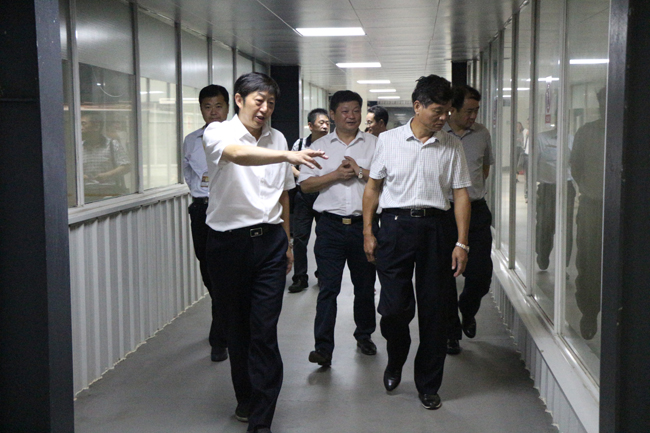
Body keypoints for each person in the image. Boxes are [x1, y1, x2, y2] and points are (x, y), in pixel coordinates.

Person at [202, 72, 326, 433]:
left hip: (270, 243)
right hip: (227, 244)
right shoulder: (218, 132)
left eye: (271, 102)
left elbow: (283, 193)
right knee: (236, 328)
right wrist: (286, 155)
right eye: (259, 101)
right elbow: (239, 155)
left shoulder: (278, 138)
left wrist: (287, 241)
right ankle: (246, 397)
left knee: (264, 330)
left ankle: (261, 419)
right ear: (239, 100)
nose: (265, 108)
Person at [363, 75, 471, 411]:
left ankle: (428, 383)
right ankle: (396, 357)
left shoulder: (451, 145)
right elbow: (372, 188)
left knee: (435, 310)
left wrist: (462, 243)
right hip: (395, 228)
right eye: (438, 111)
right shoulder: (389, 140)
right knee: (394, 309)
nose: (444, 118)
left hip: (437, 229)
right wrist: (367, 231)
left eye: (448, 111)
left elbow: (461, 194)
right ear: (417, 106)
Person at [300, 90, 379, 367]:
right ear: (332, 115)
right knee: (328, 288)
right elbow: (305, 185)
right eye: (345, 111)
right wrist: (335, 175)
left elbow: (386, 180)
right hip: (330, 227)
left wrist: (359, 172)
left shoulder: (374, 144)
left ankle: (364, 335)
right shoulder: (319, 146)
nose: (351, 116)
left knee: (365, 287)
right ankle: (323, 348)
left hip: (364, 227)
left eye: (356, 110)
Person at [443, 85, 495, 355]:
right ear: (452, 109)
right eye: (468, 111)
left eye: (476, 111)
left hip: (476, 211)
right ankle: (451, 333)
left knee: (481, 274)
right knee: (444, 278)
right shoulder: (438, 134)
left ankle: (468, 307)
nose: (473, 116)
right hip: (444, 213)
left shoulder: (482, 133)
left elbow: (483, 169)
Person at [182, 84, 230, 362]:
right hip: (201, 210)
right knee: (208, 270)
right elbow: (188, 173)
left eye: (218, 106)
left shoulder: (239, 138)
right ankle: (225, 318)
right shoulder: (191, 140)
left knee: (224, 270)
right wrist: (200, 191)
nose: (213, 112)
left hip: (228, 210)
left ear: (228, 107)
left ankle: (219, 338)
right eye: (207, 107)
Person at [570, 87, 606, 340]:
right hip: (592, 205)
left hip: (623, 210)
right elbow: (576, 166)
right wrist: (590, 188)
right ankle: (590, 311)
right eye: (603, 104)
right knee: (589, 259)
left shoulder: (630, 131)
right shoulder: (587, 132)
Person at [287, 108, 330, 293]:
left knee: (324, 238)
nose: (325, 126)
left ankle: (322, 275)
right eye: (321, 123)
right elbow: (289, 163)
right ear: (311, 126)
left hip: (324, 194)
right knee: (300, 238)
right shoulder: (300, 144)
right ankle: (300, 277)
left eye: (327, 123)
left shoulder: (332, 144)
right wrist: (301, 176)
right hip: (303, 196)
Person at [534, 127, 575, 271]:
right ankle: (542, 256)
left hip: (567, 187)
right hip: (547, 188)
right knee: (544, 224)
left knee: (566, 227)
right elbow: (532, 164)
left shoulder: (571, 139)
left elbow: (576, 164)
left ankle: (564, 265)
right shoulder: (541, 139)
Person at [81, 112, 131, 201]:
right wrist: (79, 176)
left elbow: (126, 166)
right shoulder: (78, 147)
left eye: (83, 124)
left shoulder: (112, 144)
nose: (80, 127)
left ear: (96, 127)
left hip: (109, 193)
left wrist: (107, 175)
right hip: (85, 193)